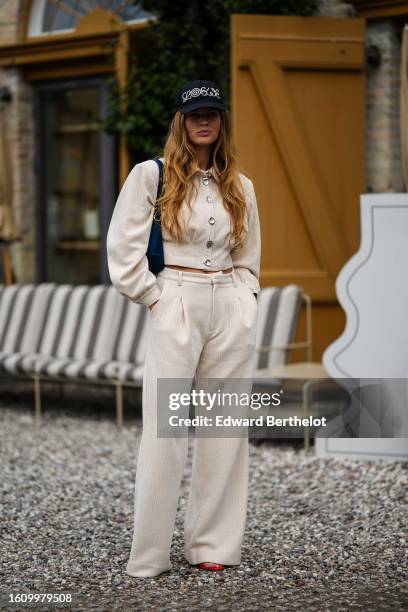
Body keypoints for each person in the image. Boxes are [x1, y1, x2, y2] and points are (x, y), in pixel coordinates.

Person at [106, 79, 261, 578]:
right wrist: (155, 298)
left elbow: (250, 256)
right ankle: (149, 555)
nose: (204, 121)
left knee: (225, 428)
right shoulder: (149, 177)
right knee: (165, 430)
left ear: (222, 122)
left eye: (213, 113)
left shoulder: (241, 185)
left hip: (228, 306)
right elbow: (122, 250)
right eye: (196, 113)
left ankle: (212, 544)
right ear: (181, 120)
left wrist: (246, 300)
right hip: (175, 299)